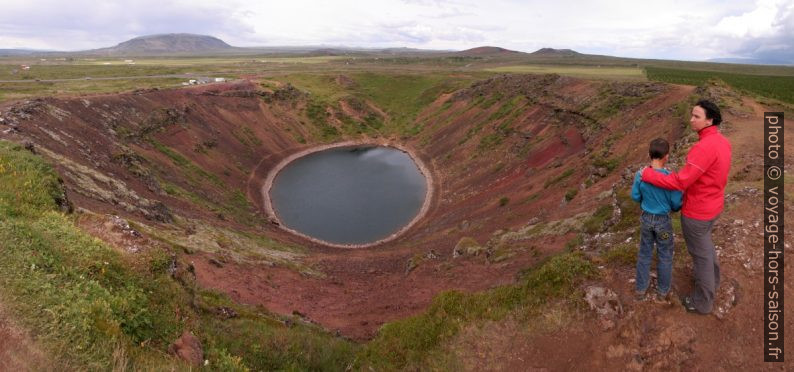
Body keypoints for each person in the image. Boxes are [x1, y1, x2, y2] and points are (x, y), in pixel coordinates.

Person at [641, 99, 731, 314]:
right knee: (706, 249)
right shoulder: (722, 141)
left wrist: (649, 175)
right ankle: (713, 281)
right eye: (691, 115)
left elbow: (680, 182)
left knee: (700, 256)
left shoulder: (704, 147)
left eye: (696, 116)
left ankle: (703, 302)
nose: (691, 119)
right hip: (713, 205)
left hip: (698, 211)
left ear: (710, 120)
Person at [631, 138, 682, 302]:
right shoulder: (670, 177)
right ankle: (662, 291)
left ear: (649, 154)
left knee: (645, 253)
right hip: (663, 225)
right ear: (666, 156)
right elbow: (676, 204)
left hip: (646, 221)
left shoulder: (640, 175)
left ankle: (640, 289)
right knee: (665, 253)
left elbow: (635, 196)